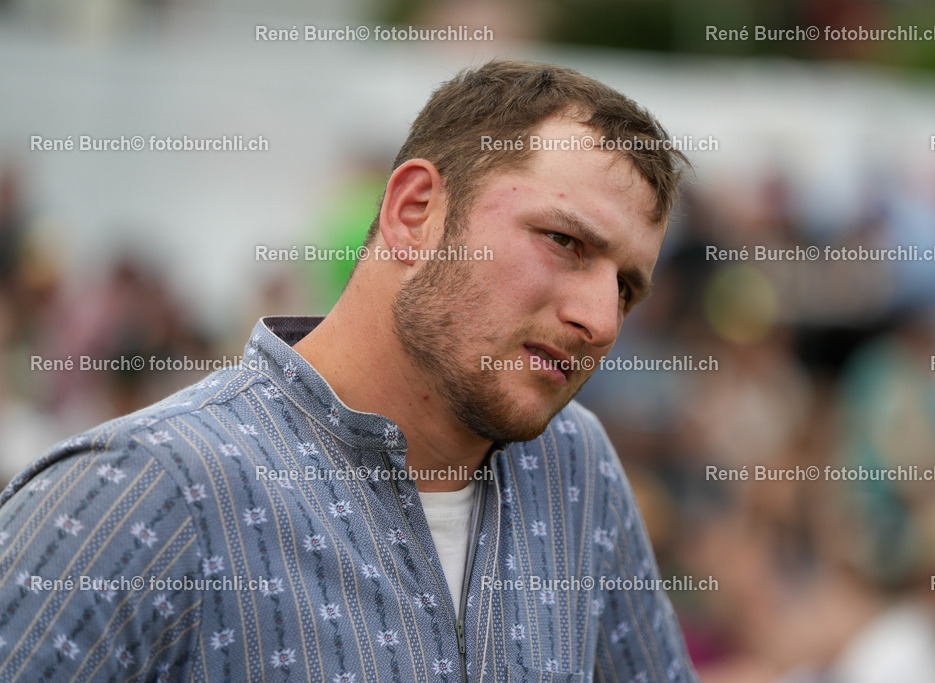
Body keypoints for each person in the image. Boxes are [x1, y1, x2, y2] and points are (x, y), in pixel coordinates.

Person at [0, 60, 699, 682]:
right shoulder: (144, 489)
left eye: (626, 288)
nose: (601, 320)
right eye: (565, 241)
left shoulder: (577, 471)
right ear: (414, 212)